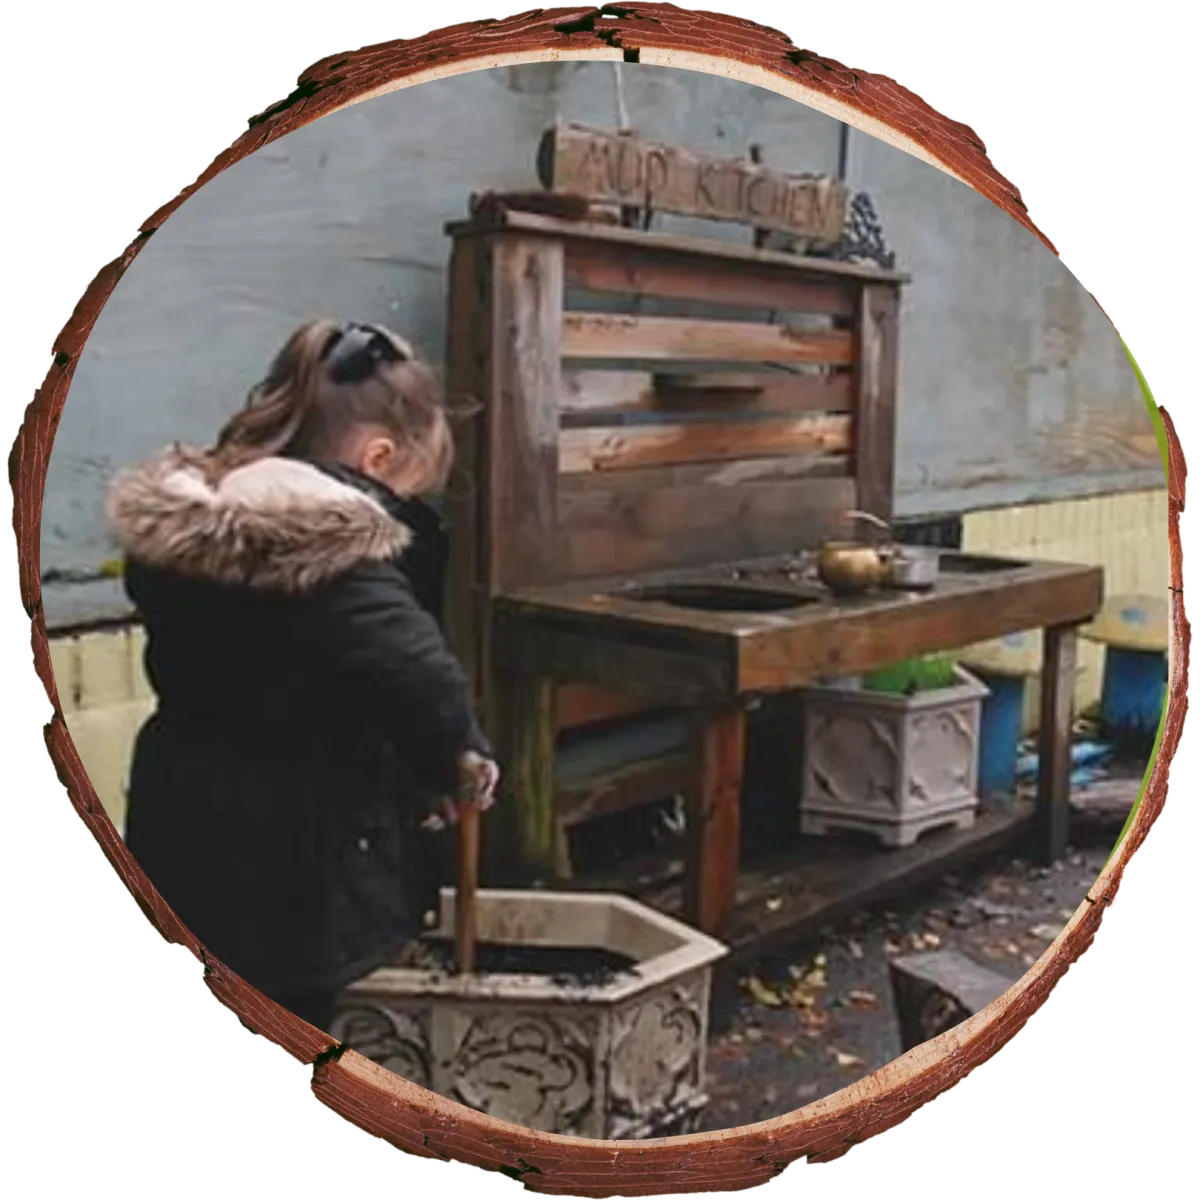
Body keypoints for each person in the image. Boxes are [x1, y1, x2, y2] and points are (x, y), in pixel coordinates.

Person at [105, 319, 500, 1033]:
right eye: (406, 495)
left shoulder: (198, 517)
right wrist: (455, 758)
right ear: (377, 457)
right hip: (296, 853)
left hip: (180, 808)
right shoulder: (332, 543)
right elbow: (417, 673)